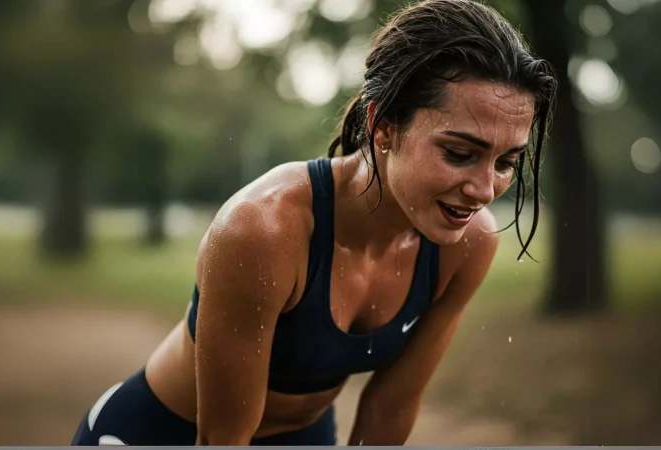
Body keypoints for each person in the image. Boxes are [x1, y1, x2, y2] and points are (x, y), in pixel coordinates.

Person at [70, 0, 556, 446]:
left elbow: (390, 408)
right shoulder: (263, 230)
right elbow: (222, 436)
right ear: (383, 126)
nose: (484, 188)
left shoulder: (466, 244)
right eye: (459, 153)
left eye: (505, 162)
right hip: (164, 434)